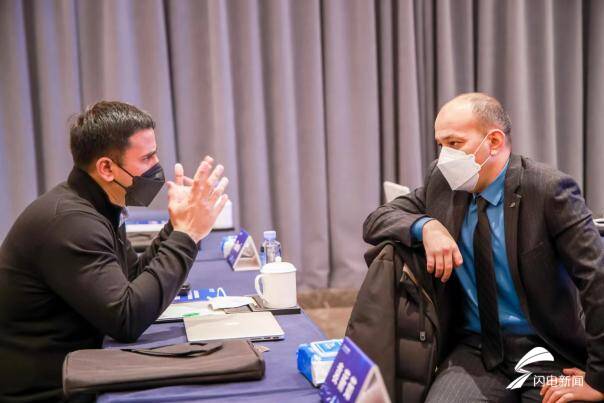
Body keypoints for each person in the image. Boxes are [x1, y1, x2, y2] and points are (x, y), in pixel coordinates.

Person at [363, 93, 604, 402]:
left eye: (455, 143)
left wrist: (599, 379)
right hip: (477, 350)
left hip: (548, 351)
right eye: (440, 144)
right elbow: (376, 220)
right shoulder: (443, 182)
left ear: (494, 142)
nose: (445, 156)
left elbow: (597, 280)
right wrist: (426, 226)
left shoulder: (548, 190)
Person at [0, 101, 229, 402]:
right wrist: (187, 235)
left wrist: (178, 226)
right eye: (147, 157)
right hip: (48, 392)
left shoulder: (98, 204)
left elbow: (131, 277)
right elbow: (127, 319)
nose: (157, 166)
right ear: (106, 168)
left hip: (77, 371)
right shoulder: (69, 223)